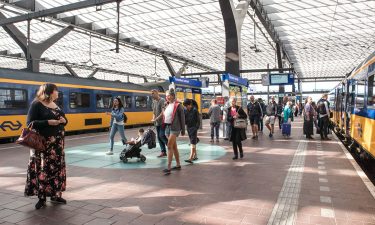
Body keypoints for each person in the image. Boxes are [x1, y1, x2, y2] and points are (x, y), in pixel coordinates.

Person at [25, 83, 68, 210]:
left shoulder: (56, 105)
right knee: (43, 169)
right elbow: (30, 124)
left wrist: (64, 121)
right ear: (49, 92)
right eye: (56, 91)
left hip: (57, 145)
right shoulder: (36, 104)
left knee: (56, 169)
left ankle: (55, 195)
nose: (58, 93)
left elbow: (64, 120)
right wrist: (48, 122)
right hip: (43, 144)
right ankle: (42, 198)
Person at [162, 88, 185, 175]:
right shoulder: (167, 105)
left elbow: (182, 119)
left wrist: (183, 130)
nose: (167, 97)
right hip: (167, 127)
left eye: (168, 95)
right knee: (174, 147)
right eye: (166, 96)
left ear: (172, 96)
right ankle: (178, 165)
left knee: (169, 146)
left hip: (175, 128)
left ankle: (168, 167)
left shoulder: (178, 105)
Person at [151, 89, 168, 157]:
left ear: (157, 93)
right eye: (151, 93)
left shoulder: (162, 100)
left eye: (153, 93)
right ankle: (163, 151)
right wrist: (153, 118)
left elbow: (163, 112)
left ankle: (170, 147)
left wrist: (156, 119)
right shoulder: (154, 101)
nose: (152, 95)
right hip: (157, 123)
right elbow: (154, 112)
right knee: (158, 137)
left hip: (162, 122)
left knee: (161, 135)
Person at [183, 99, 200, 164]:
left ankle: (191, 157)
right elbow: (184, 119)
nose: (186, 107)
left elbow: (198, 121)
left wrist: (196, 128)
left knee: (192, 142)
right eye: (185, 106)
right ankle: (195, 155)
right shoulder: (185, 110)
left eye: (187, 106)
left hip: (193, 128)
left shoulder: (195, 110)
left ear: (190, 105)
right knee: (192, 141)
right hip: (188, 127)